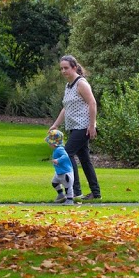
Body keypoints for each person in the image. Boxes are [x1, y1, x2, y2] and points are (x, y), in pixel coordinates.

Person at [50, 55, 101, 200]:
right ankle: (96, 193)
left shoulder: (81, 83)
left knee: (67, 154)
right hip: (74, 127)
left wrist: (92, 126)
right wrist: (55, 125)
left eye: (66, 68)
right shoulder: (68, 86)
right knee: (85, 160)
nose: (63, 71)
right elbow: (66, 108)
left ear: (74, 67)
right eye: (61, 69)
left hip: (83, 127)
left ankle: (75, 190)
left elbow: (92, 103)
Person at [46, 129, 75, 204]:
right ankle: (61, 194)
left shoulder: (60, 149)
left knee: (68, 186)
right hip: (59, 172)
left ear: (54, 143)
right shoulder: (56, 149)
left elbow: (65, 156)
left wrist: (58, 160)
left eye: (49, 143)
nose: (48, 144)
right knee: (54, 183)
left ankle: (70, 200)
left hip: (66, 172)